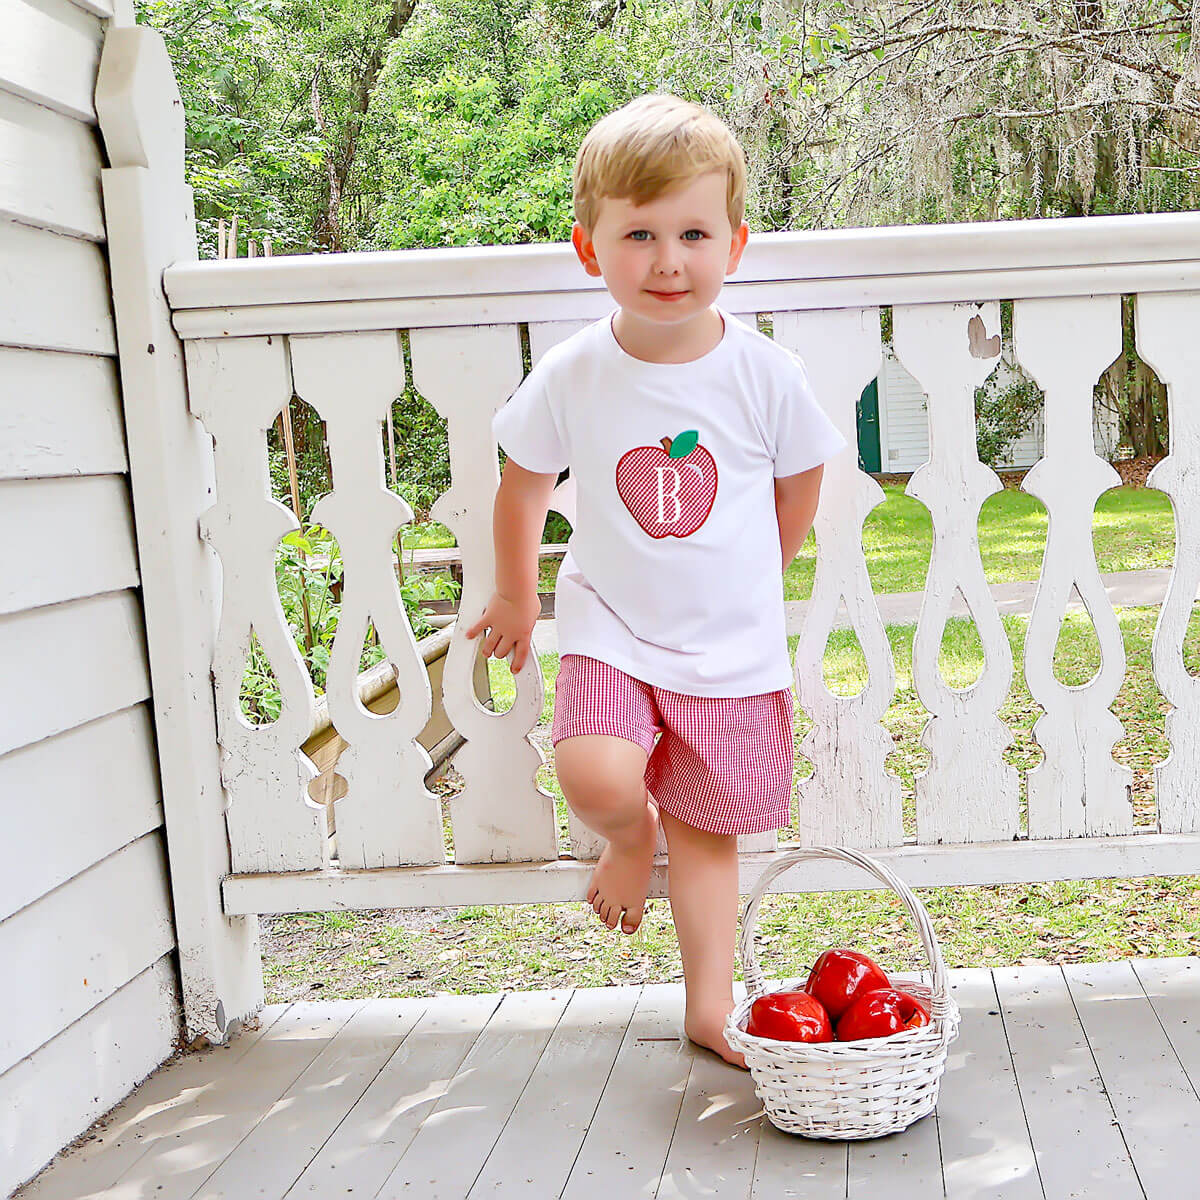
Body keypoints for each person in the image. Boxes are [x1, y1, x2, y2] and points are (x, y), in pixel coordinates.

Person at [465, 93, 847, 1068]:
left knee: (709, 837)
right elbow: (523, 486)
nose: (668, 260)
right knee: (596, 773)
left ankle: (708, 1006)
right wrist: (516, 594)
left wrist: (767, 565)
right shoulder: (574, 372)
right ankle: (629, 838)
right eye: (639, 234)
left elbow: (803, 477)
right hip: (612, 627)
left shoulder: (765, 374)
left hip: (729, 646)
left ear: (735, 244)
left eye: (692, 234)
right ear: (589, 248)